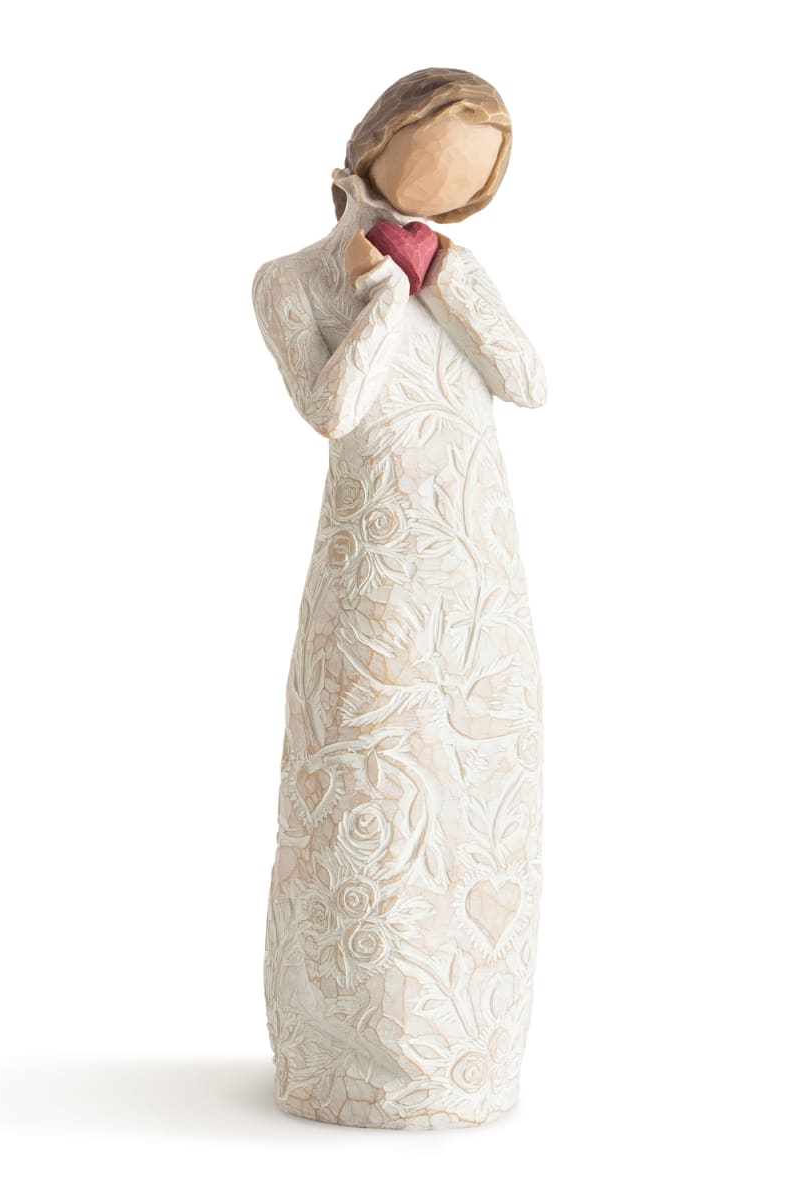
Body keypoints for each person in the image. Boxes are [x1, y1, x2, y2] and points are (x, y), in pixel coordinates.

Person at [252, 67, 547, 1129]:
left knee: (476, 794)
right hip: (374, 567)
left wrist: (449, 284)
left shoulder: (459, 271)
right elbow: (333, 407)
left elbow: (528, 381)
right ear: (380, 141)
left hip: (478, 567)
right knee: (370, 783)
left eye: (473, 175)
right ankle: (350, 1052)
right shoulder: (294, 281)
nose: (452, 190)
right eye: (438, 157)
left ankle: (466, 1052)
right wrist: (381, 298)